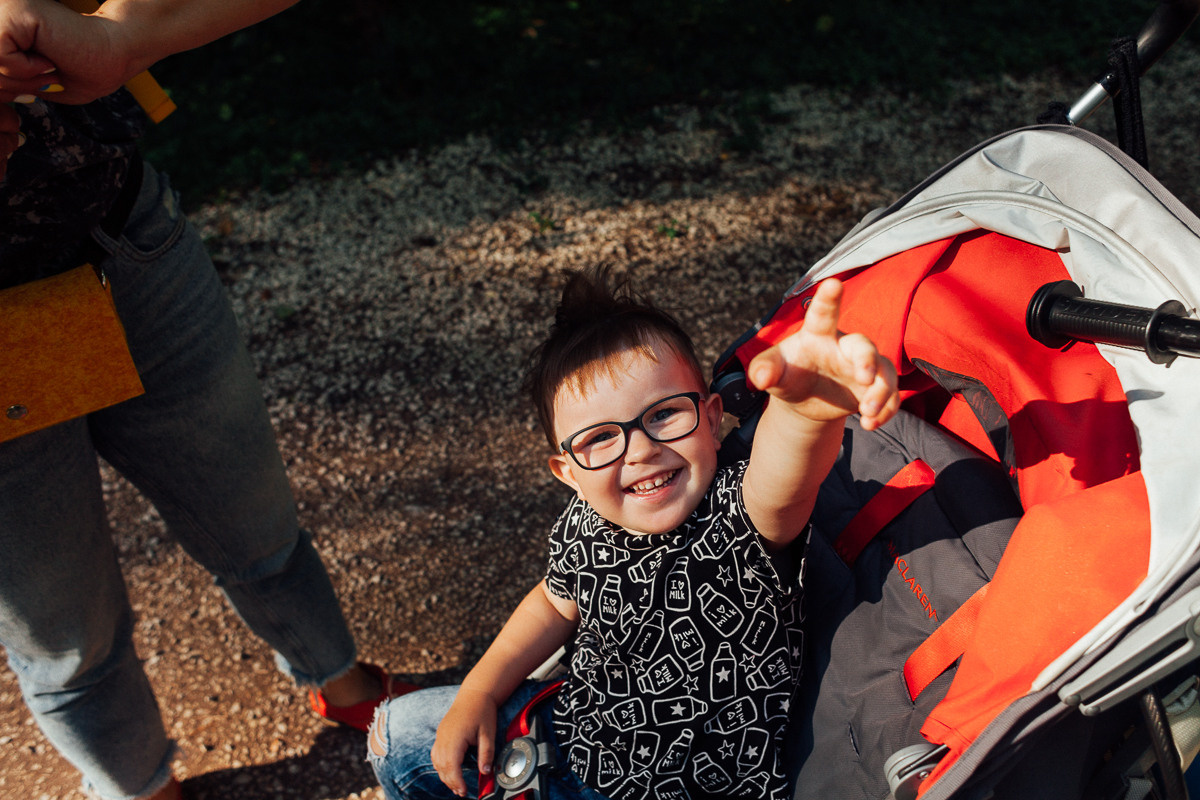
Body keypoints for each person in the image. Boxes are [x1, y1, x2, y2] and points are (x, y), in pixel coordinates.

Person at [0, 0, 414, 798]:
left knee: (255, 518)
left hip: (124, 237)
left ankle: (339, 678)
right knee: (65, 632)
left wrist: (118, 36)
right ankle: (138, 785)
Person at [368, 268, 900, 799]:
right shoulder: (584, 522)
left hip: (694, 789)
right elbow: (554, 606)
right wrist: (480, 690)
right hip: (572, 739)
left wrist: (805, 412)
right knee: (395, 734)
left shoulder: (739, 515)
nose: (640, 450)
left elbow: (785, 479)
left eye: (665, 414)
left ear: (713, 420)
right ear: (568, 473)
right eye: (600, 438)